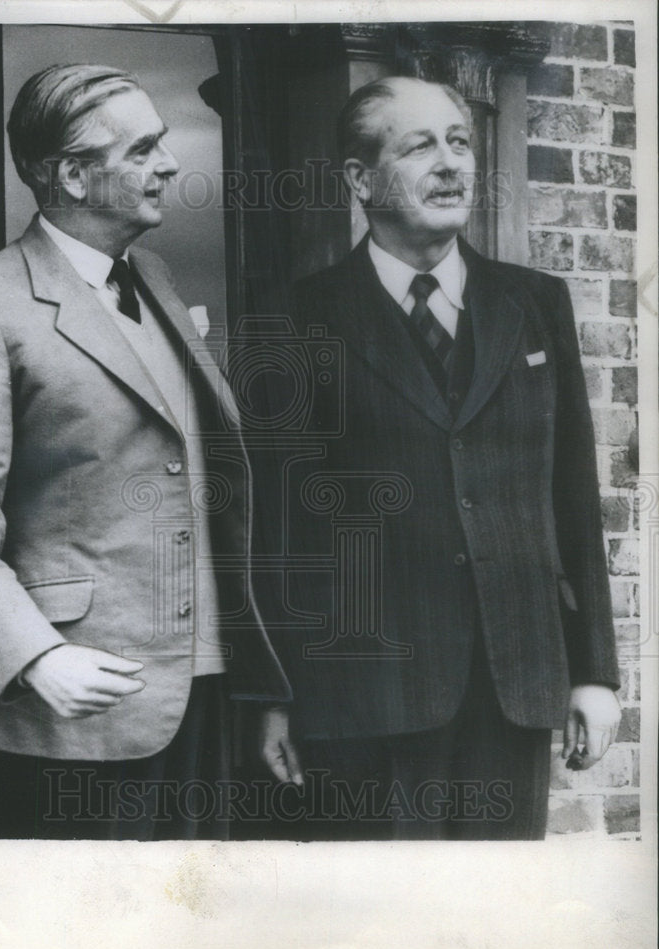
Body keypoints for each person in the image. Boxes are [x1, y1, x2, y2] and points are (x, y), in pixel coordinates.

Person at [0, 63, 299, 840]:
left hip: (204, 696)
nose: (170, 164)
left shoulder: (152, 276)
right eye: (143, 148)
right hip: (77, 710)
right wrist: (37, 658)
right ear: (74, 178)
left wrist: (260, 687)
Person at [251, 75, 621, 839]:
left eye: (459, 142)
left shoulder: (533, 303)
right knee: (379, 927)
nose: (450, 164)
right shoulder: (296, 318)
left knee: (493, 930)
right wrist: (271, 695)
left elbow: (571, 498)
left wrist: (593, 673)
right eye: (419, 147)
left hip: (511, 682)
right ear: (359, 178)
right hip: (360, 694)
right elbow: (274, 527)